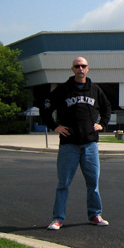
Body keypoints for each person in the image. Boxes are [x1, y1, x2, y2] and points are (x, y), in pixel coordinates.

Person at [40, 57, 111, 230]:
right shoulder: (63, 90)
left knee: (93, 184)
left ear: (88, 69)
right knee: (63, 184)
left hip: (90, 145)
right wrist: (55, 127)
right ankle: (58, 218)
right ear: (72, 69)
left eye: (83, 66)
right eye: (77, 66)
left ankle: (95, 214)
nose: (80, 69)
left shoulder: (95, 90)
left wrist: (102, 124)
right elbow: (45, 108)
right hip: (68, 145)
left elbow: (107, 108)